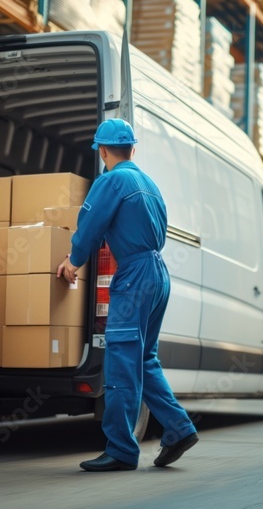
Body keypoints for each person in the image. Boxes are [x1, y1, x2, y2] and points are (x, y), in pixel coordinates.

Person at [57, 118, 198, 472]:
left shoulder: (111, 180)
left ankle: (121, 449)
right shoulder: (150, 185)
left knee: (120, 360)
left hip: (134, 276)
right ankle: (179, 429)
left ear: (102, 151)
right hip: (158, 274)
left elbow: (90, 226)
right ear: (133, 149)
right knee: (144, 360)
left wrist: (73, 261)